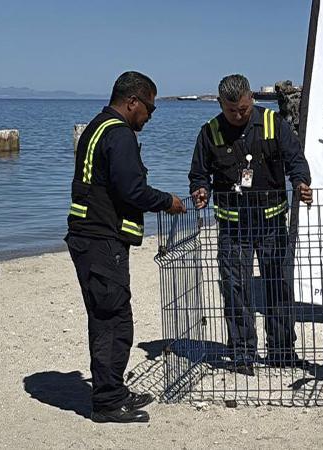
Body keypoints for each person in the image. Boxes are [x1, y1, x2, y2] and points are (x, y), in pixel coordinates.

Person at [65, 71, 186, 423]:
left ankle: (114, 390)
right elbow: (131, 190)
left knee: (114, 316)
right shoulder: (119, 135)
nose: (149, 115)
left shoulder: (97, 126)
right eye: (149, 108)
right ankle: (106, 403)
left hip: (93, 237)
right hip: (102, 240)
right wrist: (168, 201)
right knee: (113, 321)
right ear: (132, 102)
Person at [188, 74, 312, 375]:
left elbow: (295, 159)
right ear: (220, 105)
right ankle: (242, 352)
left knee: (277, 286)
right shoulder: (210, 132)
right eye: (232, 111)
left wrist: (301, 182)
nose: (239, 115)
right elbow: (198, 173)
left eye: (244, 109)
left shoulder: (273, 124)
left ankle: (282, 350)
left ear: (251, 99)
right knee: (236, 288)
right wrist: (200, 190)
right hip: (233, 229)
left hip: (271, 224)